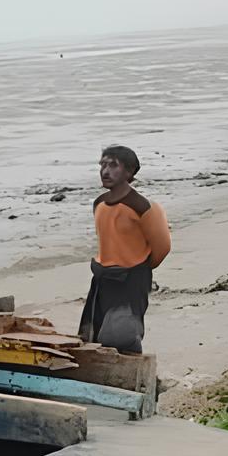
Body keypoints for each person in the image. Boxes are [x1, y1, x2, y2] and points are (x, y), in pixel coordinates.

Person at [77, 145, 171, 354]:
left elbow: (162, 248)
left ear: (129, 172)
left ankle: (135, 372)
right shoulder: (99, 204)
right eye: (102, 164)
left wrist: (138, 268)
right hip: (102, 278)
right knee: (92, 333)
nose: (105, 171)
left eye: (113, 165)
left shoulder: (144, 207)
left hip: (131, 278)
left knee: (122, 334)